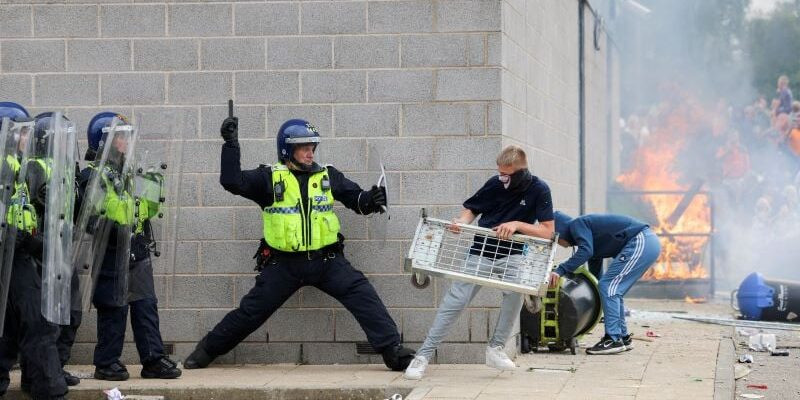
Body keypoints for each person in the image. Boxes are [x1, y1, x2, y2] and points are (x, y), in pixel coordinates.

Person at [182, 111, 414, 372]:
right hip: (284, 266)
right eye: (303, 147)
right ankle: (206, 350)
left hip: (328, 262)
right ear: (287, 150)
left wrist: (371, 200)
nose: (310, 152)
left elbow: (356, 199)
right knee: (251, 312)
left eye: (312, 147)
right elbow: (232, 182)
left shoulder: (328, 175)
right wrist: (231, 145)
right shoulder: (269, 177)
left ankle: (393, 352)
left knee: (363, 294)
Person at [404, 145, 554, 380]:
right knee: (455, 301)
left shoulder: (539, 189)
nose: (501, 178)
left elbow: (547, 231)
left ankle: (495, 348)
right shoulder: (495, 184)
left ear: (521, 174)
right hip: (481, 251)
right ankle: (422, 356)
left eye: (506, 175)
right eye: (500, 173)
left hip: (513, 254)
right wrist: (460, 222)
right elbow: (471, 209)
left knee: (514, 297)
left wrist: (517, 225)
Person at [61, 112, 181, 381]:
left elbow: (145, 211)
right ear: (104, 141)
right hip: (111, 248)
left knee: (145, 305)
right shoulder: (91, 175)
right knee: (113, 307)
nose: (126, 142)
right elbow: (93, 215)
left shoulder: (129, 171)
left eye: (127, 137)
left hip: (136, 246)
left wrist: (151, 184)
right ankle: (106, 363)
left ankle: (153, 358)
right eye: (120, 138)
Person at [0, 108, 70, 400]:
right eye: (22, 131)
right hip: (8, 253)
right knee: (35, 321)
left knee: (11, 325)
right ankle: (48, 388)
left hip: (17, 253)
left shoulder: (18, 165)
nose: (27, 137)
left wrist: (33, 239)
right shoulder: (5, 166)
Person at [550, 211, 661, 354]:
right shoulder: (588, 239)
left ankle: (613, 339)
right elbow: (597, 275)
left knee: (609, 288)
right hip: (646, 242)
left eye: (554, 238)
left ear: (560, 230)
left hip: (641, 241)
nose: (557, 243)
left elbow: (586, 252)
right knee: (611, 289)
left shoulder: (577, 224)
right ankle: (622, 337)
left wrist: (560, 270)